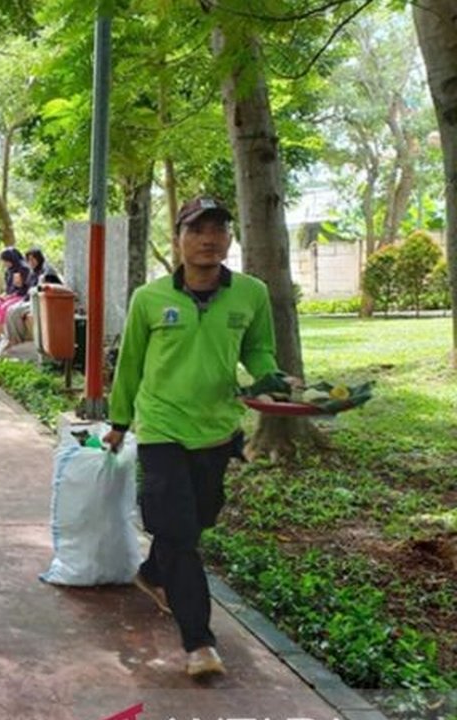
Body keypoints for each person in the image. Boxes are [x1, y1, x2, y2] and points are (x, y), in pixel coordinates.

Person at [102, 196, 296, 678]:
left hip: (217, 430)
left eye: (219, 229)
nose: (210, 239)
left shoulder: (250, 294)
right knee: (179, 534)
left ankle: (152, 573)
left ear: (230, 238)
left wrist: (269, 378)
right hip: (162, 429)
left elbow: (259, 350)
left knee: (199, 518)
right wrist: (119, 423)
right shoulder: (150, 298)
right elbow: (130, 365)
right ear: (179, 239)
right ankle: (199, 643)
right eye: (197, 230)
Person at [2, 248, 58, 350]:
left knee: (15, 312)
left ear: (39, 258)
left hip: (40, 301)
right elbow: (27, 287)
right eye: (28, 259)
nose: (30, 262)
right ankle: (13, 339)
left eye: (33, 259)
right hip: (29, 299)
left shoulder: (46, 270)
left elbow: (45, 288)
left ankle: (18, 341)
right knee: (10, 310)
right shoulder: (33, 271)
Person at [0, 247, 31, 356]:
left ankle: (6, 340)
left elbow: (24, 288)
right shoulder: (8, 271)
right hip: (9, 295)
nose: (4, 263)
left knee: (4, 308)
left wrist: (10, 295)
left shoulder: (24, 269)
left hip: (21, 296)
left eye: (5, 261)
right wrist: (3, 296)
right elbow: (8, 289)